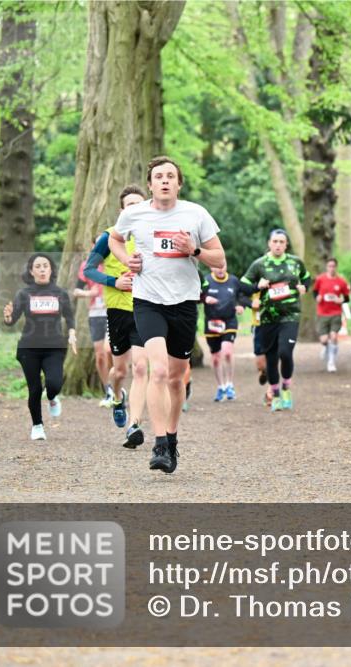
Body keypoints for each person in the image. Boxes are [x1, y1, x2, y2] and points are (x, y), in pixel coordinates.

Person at [109, 156, 225, 474]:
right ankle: (159, 444)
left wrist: (194, 250)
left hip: (184, 303)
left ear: (178, 183)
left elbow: (219, 259)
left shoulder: (196, 214)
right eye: (158, 176)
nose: (164, 181)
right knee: (157, 371)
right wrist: (126, 261)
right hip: (148, 301)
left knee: (176, 378)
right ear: (150, 184)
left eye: (170, 176)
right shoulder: (134, 214)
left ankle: (171, 438)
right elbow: (114, 239)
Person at [84, 185, 152, 448]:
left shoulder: (152, 234)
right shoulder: (110, 237)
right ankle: (116, 397)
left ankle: (134, 425)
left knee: (141, 367)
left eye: (139, 203)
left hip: (145, 308)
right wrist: (114, 281)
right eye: (129, 204)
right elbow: (89, 270)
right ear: (121, 210)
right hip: (117, 311)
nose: (134, 208)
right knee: (120, 370)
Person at [3, 253, 78, 440]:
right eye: (38, 266)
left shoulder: (60, 293)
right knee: (34, 389)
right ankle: (37, 426)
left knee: (54, 384)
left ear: (51, 269)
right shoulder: (24, 294)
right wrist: (7, 317)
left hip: (54, 347)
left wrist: (72, 334)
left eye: (45, 265)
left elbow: (69, 317)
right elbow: (12, 320)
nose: (42, 269)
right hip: (29, 348)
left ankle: (52, 397)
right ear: (31, 271)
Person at [240, 229, 311, 412]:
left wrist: (305, 287)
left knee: (285, 353)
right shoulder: (259, 264)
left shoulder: (295, 262)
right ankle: (275, 393)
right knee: (271, 358)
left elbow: (306, 277)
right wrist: (258, 286)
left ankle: (286, 387)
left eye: (281, 241)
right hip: (267, 318)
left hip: (290, 315)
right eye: (275, 241)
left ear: (286, 244)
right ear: (269, 243)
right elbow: (243, 286)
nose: (278, 245)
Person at [73, 245, 112, 406]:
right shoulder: (87, 266)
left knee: (108, 350)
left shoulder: (114, 262)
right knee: (100, 355)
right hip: (95, 313)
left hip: (113, 311)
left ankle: (117, 386)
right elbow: (76, 291)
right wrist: (90, 293)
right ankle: (108, 390)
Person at [201, 266, 247, 401]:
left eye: (223, 266)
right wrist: (205, 299)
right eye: (217, 266)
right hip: (212, 323)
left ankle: (230, 384)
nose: (221, 269)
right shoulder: (206, 280)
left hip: (229, 321)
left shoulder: (233, 280)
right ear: (211, 267)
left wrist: (241, 306)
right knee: (215, 357)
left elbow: (242, 296)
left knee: (227, 352)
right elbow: (197, 295)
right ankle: (221, 386)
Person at [312, 257, 350, 373]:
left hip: (336, 313)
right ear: (326, 267)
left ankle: (331, 362)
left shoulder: (341, 281)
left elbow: (347, 297)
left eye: (333, 266)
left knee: (333, 336)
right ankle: (326, 347)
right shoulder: (320, 279)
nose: (331, 268)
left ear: (336, 267)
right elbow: (315, 291)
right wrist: (317, 297)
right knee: (324, 340)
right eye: (329, 266)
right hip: (322, 313)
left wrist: (340, 300)